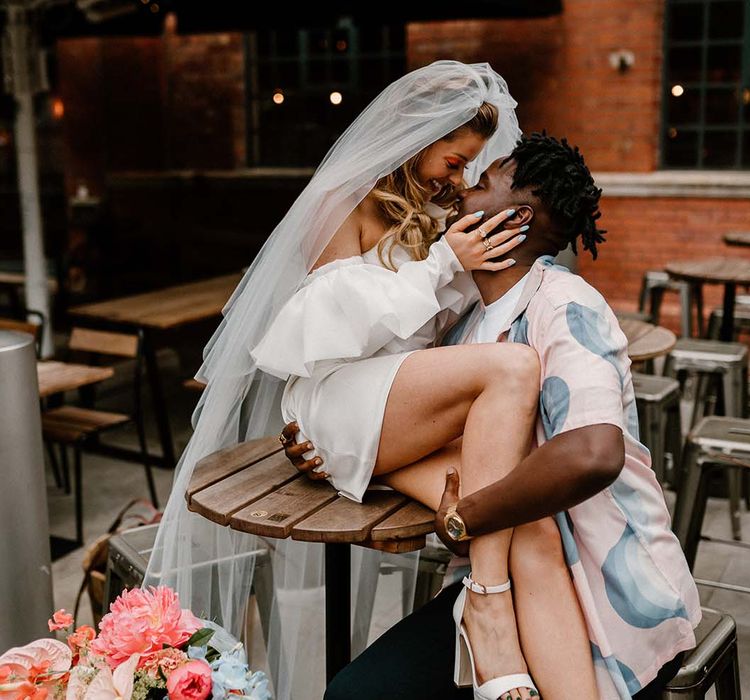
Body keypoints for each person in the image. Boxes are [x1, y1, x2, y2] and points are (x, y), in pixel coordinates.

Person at [145, 61, 560, 700]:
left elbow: (433, 332)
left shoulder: (429, 211)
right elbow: (332, 321)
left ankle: (551, 667)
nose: (458, 178)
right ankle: (488, 612)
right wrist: (446, 261)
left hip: (390, 407)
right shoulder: (341, 200)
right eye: (452, 162)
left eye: (468, 167)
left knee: (518, 504)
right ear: (417, 140)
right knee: (513, 369)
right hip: (335, 396)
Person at [282, 132, 701, 700]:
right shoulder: (461, 327)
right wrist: (338, 447)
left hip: (609, 596)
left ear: (516, 218)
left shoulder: (563, 303)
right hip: (509, 578)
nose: (458, 189)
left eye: (481, 182)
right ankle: (488, 619)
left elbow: (593, 453)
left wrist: (465, 518)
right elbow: (434, 449)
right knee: (354, 693)